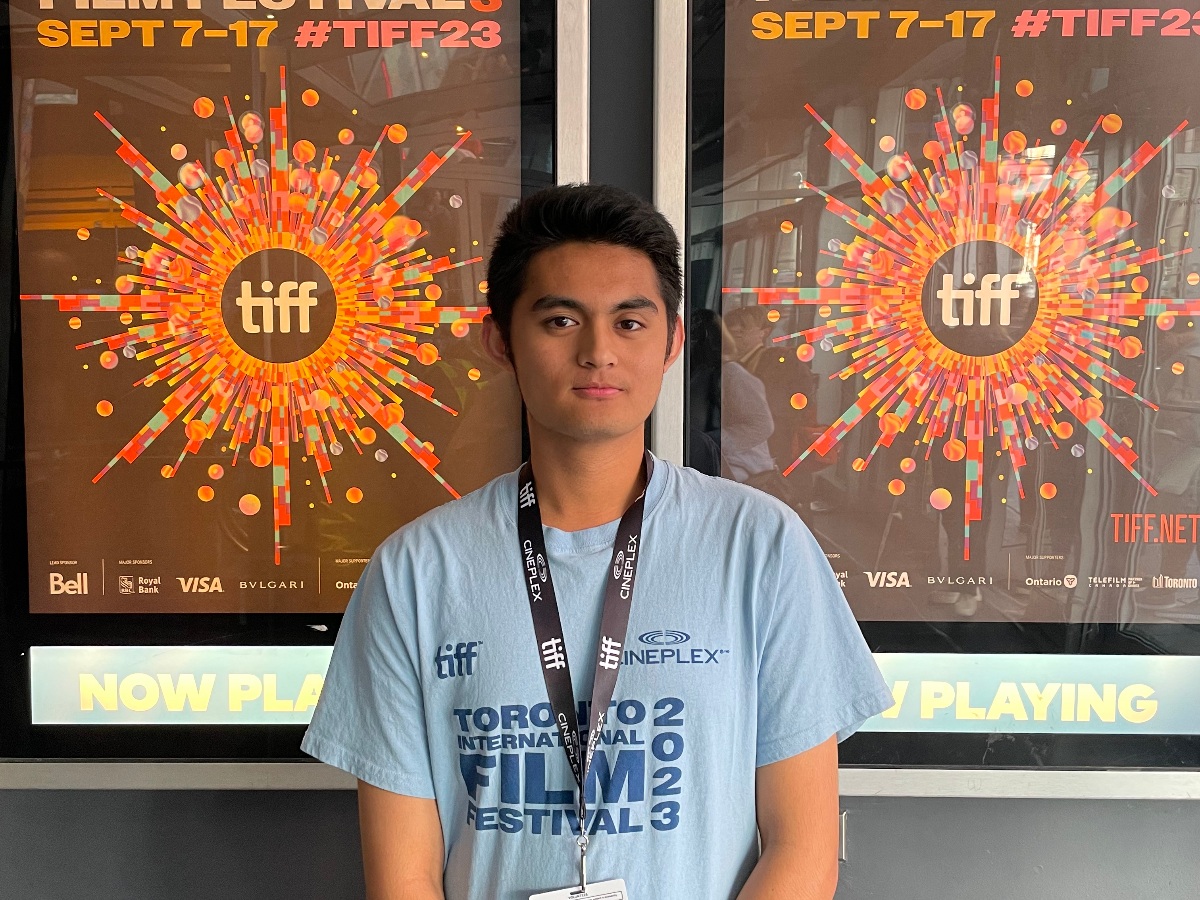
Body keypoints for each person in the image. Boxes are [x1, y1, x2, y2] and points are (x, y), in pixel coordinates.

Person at [301, 183, 892, 900]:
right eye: (559, 320)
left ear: (672, 341)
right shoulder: (415, 573)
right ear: (501, 340)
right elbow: (406, 877)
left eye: (630, 323)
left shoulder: (761, 548)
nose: (598, 353)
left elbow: (801, 847)